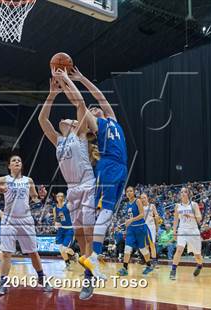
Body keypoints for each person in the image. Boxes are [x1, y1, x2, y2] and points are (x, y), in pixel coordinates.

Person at [39, 70, 97, 299]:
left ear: (74, 125)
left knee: (89, 234)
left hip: (87, 184)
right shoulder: (58, 139)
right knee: (80, 235)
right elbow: (42, 120)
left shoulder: (80, 134)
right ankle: (87, 269)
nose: (63, 119)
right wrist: (52, 94)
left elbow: (80, 102)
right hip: (72, 188)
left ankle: (89, 277)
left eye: (69, 119)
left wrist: (67, 81)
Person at [67, 66, 128, 280]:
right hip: (109, 165)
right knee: (103, 211)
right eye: (92, 110)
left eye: (96, 108)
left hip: (122, 167)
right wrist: (67, 80)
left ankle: (94, 257)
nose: (96, 108)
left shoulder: (112, 118)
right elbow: (81, 104)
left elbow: (100, 96)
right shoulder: (97, 124)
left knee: (109, 213)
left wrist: (82, 77)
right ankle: (92, 255)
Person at [0, 155, 52, 295]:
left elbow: (35, 198)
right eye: (13, 160)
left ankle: (42, 278)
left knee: (33, 252)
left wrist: (41, 196)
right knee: (7, 253)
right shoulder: (3, 180)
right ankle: (2, 283)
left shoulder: (28, 180)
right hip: (9, 219)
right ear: (9, 166)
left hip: (26, 219)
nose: (17, 162)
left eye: (19, 160)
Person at [116, 187, 155, 277]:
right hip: (131, 229)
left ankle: (149, 265)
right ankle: (124, 268)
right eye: (127, 191)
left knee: (142, 249)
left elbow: (142, 215)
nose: (129, 193)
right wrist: (126, 222)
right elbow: (129, 217)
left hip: (140, 228)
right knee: (127, 248)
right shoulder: (127, 204)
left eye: (131, 191)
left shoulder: (137, 201)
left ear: (134, 193)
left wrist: (131, 220)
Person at [169, 187, 203, 280]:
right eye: (181, 192)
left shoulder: (194, 205)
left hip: (193, 230)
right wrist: (174, 231)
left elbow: (199, 218)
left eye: (185, 192)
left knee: (197, 255)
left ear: (188, 194)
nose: (183, 193)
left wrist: (191, 216)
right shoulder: (177, 206)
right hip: (182, 230)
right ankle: (173, 271)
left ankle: (200, 265)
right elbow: (176, 219)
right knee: (179, 249)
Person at [52, 192, 77, 270]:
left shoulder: (68, 205)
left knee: (65, 248)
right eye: (58, 196)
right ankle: (67, 264)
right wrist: (56, 223)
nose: (59, 197)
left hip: (69, 229)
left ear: (63, 197)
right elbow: (57, 218)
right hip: (61, 230)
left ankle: (74, 255)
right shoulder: (55, 208)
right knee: (60, 249)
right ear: (56, 198)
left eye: (61, 196)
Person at [141, 193, 159, 267]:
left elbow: (156, 215)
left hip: (151, 227)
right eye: (141, 198)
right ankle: (147, 262)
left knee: (152, 244)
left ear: (147, 198)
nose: (143, 199)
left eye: (144, 197)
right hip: (143, 227)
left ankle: (154, 261)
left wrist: (157, 226)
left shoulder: (152, 206)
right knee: (145, 246)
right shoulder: (139, 207)